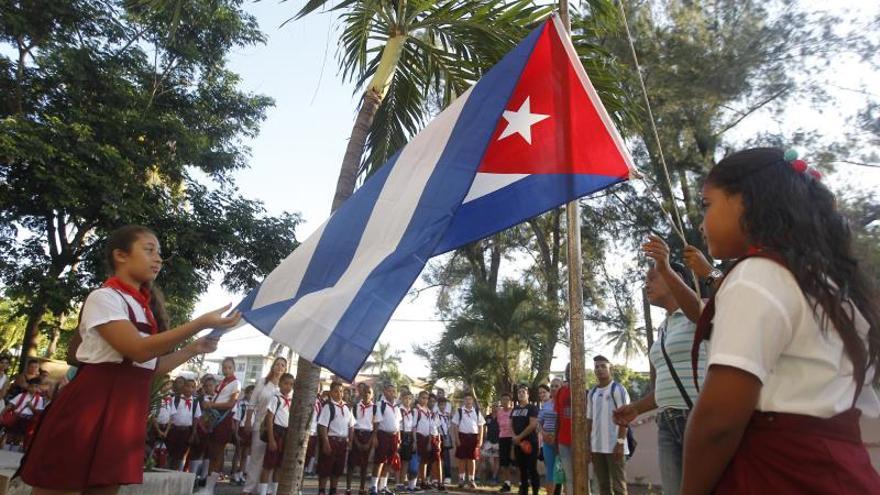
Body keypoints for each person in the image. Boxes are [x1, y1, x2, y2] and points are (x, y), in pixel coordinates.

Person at [678, 148, 880, 493]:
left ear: (745, 200)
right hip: (843, 472)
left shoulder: (756, 276)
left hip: (776, 474)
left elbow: (719, 422)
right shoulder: (830, 287)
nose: (701, 222)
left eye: (706, 204)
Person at [18, 225, 237, 493]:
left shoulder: (143, 309)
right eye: (149, 250)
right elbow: (138, 349)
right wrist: (199, 323)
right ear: (120, 255)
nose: (158, 258)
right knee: (60, 484)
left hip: (124, 412)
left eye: (159, 252)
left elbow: (148, 368)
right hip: (91, 406)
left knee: (105, 487)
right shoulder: (104, 297)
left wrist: (194, 348)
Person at [613, 246, 707, 495]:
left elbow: (701, 315)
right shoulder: (663, 329)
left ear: (674, 279)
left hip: (698, 417)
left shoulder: (701, 308)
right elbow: (664, 388)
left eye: (652, 277)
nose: (646, 285)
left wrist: (664, 265)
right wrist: (636, 408)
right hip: (667, 421)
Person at [242, 356, 288, 495]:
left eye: (282, 365)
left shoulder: (285, 386)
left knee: (272, 461)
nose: (279, 367)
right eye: (277, 364)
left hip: (278, 429)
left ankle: (266, 490)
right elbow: (252, 403)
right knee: (256, 457)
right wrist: (248, 421)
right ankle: (249, 488)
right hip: (261, 424)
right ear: (273, 366)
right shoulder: (263, 382)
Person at [587, 356, 629, 495]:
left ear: (610, 368)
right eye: (597, 367)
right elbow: (590, 420)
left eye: (603, 366)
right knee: (603, 486)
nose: (599, 369)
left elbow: (625, 418)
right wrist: (589, 445)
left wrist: (620, 443)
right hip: (597, 447)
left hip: (614, 447)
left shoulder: (618, 390)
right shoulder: (592, 392)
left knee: (619, 487)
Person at [205, 357, 241, 478]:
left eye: (229, 367)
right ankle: (208, 481)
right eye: (224, 367)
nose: (226, 370)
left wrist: (212, 405)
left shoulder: (236, 383)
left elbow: (231, 404)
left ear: (234, 369)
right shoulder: (222, 382)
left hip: (224, 418)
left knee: (218, 452)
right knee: (212, 452)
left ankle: (210, 486)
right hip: (215, 418)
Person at [259, 373, 294, 495]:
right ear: (280, 384)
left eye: (291, 384)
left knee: (279, 466)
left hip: (286, 434)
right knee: (268, 466)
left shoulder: (292, 400)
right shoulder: (276, 398)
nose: (288, 387)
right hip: (276, 432)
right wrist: (271, 439)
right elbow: (269, 419)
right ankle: (262, 492)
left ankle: (274, 492)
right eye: (285, 383)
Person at [317, 381, 354, 495]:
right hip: (331, 440)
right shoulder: (329, 407)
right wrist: (326, 442)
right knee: (325, 468)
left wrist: (350, 441)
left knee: (337, 469)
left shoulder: (347, 407)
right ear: (331, 393)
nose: (339, 394)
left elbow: (351, 425)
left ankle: (333, 490)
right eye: (336, 391)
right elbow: (323, 425)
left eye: (341, 391)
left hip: (342, 442)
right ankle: (322, 491)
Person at [451, 392, 484, 489]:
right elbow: (455, 426)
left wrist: (480, 438)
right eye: (466, 399)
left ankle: (471, 480)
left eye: (470, 399)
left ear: (473, 401)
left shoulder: (477, 411)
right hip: (462, 437)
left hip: (473, 437)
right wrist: (457, 438)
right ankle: (461, 479)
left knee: (472, 459)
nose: (468, 401)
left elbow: (481, 426)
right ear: (464, 401)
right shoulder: (460, 411)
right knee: (461, 459)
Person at [347, 383, 376, 495]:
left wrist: (370, 442)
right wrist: (355, 440)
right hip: (356, 434)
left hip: (368, 436)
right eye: (365, 392)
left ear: (372, 395)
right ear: (361, 393)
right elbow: (351, 425)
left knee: (364, 464)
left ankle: (362, 488)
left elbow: (375, 427)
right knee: (351, 464)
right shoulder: (355, 407)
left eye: (369, 392)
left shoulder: (374, 408)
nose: (366, 394)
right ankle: (348, 488)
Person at [510, 385, 539, 495]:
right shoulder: (515, 409)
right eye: (519, 392)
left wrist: (519, 437)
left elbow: (532, 425)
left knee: (532, 469)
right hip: (518, 444)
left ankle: (535, 492)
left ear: (528, 395)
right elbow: (510, 424)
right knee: (522, 470)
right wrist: (515, 437)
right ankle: (524, 491)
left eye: (523, 392)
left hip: (530, 443)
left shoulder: (532, 408)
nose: (521, 394)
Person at [167, 378, 201, 471]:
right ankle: (167, 471)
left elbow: (196, 418)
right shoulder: (175, 399)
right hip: (173, 430)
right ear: (183, 387)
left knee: (181, 454)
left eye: (192, 387)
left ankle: (176, 472)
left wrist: (193, 433)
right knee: (170, 452)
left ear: (195, 389)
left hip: (186, 431)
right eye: (187, 386)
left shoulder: (195, 402)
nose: (189, 389)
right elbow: (170, 415)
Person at [414, 391, 445, 492]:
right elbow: (414, 427)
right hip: (421, 437)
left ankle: (439, 482)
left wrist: (439, 441)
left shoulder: (431, 413)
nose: (427, 401)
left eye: (428, 399)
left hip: (432, 438)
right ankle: (422, 481)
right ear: (419, 398)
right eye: (424, 398)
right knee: (423, 461)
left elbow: (437, 429)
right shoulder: (416, 410)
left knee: (436, 460)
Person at [3, 378, 44, 451]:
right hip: (17, 417)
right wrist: (2, 413)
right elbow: (10, 404)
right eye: (32, 386)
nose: (33, 388)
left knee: (19, 437)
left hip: (27, 419)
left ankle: (14, 453)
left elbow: (38, 412)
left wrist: (32, 407)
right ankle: (6, 451)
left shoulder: (39, 399)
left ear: (38, 388)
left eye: (36, 387)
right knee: (10, 435)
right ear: (28, 387)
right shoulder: (21, 395)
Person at [191, 374, 217, 484]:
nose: (209, 388)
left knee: (209, 453)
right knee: (197, 452)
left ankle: (203, 477)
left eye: (211, 385)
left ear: (215, 386)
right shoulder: (198, 399)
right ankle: (192, 477)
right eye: (206, 386)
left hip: (213, 429)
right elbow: (195, 415)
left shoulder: (219, 400)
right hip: (200, 429)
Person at [553, 365, 574, 495]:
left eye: (571, 370)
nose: (569, 373)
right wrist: (556, 439)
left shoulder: (586, 392)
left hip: (579, 443)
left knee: (582, 474)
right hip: (563, 442)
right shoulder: (561, 392)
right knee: (568, 476)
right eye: (567, 370)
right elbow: (558, 418)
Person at [536, 382, 559, 495]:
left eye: (556, 386)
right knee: (550, 469)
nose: (554, 388)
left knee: (560, 469)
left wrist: (555, 434)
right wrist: (544, 434)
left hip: (560, 441)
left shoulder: (563, 403)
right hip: (547, 441)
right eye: (552, 386)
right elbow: (539, 423)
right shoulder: (545, 405)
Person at [232, 384, 255, 485]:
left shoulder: (255, 406)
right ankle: (234, 473)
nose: (252, 396)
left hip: (250, 431)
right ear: (246, 393)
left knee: (245, 454)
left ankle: (241, 473)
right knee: (238, 453)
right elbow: (237, 420)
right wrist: (236, 433)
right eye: (251, 393)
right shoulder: (241, 404)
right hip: (241, 429)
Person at [398, 391, 418, 491]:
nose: (408, 400)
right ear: (401, 398)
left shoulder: (413, 411)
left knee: (405, 461)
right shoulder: (398, 409)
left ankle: (401, 483)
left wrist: (414, 441)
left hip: (408, 436)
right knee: (397, 460)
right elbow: (396, 425)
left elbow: (414, 427)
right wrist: (398, 439)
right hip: (400, 434)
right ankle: (397, 483)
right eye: (406, 398)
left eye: (410, 398)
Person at [496, 392, 515, 493]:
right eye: (503, 399)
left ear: (510, 401)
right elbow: (499, 425)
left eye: (507, 399)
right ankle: (507, 484)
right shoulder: (499, 412)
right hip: (502, 439)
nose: (505, 401)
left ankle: (522, 484)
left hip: (513, 439)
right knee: (504, 463)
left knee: (516, 463)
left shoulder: (514, 412)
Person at [480, 403, 501, 485]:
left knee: (496, 459)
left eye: (496, 406)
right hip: (488, 441)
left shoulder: (501, 417)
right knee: (483, 457)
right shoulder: (487, 417)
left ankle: (494, 477)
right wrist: (483, 440)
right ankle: (478, 477)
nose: (494, 408)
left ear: (499, 408)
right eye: (493, 406)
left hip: (498, 441)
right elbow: (484, 429)